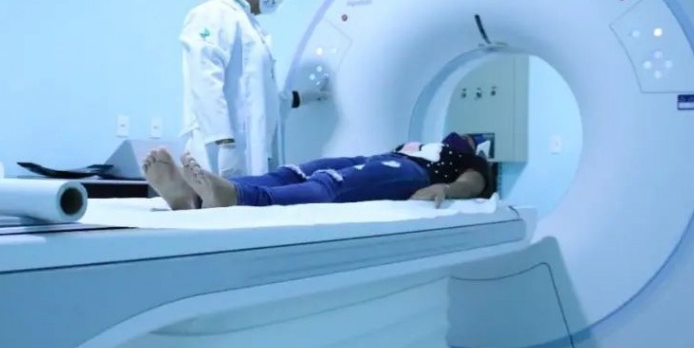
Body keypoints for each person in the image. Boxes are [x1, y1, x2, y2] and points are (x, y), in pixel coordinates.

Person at [179, 0, 328, 178]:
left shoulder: (251, 27)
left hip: (252, 151)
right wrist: (223, 142)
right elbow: (204, 79)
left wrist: (304, 96)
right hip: (221, 148)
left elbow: (260, 97)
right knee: (216, 197)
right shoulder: (212, 13)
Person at [142, 132, 490, 211]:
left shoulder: (468, 160)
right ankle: (195, 197)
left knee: (330, 184)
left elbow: (472, 184)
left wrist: (446, 189)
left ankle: (238, 197)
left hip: (413, 172)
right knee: (292, 173)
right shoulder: (416, 142)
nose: (459, 137)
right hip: (381, 158)